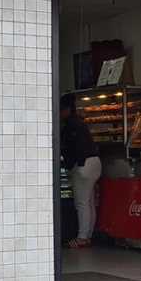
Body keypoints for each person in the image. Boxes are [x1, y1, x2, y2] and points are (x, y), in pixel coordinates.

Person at [60, 94, 102, 249]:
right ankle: (88, 235)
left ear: (66, 110)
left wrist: (71, 164)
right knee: (89, 202)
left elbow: (74, 149)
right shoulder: (80, 123)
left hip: (83, 165)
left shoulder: (70, 125)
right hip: (96, 162)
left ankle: (82, 237)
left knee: (81, 202)